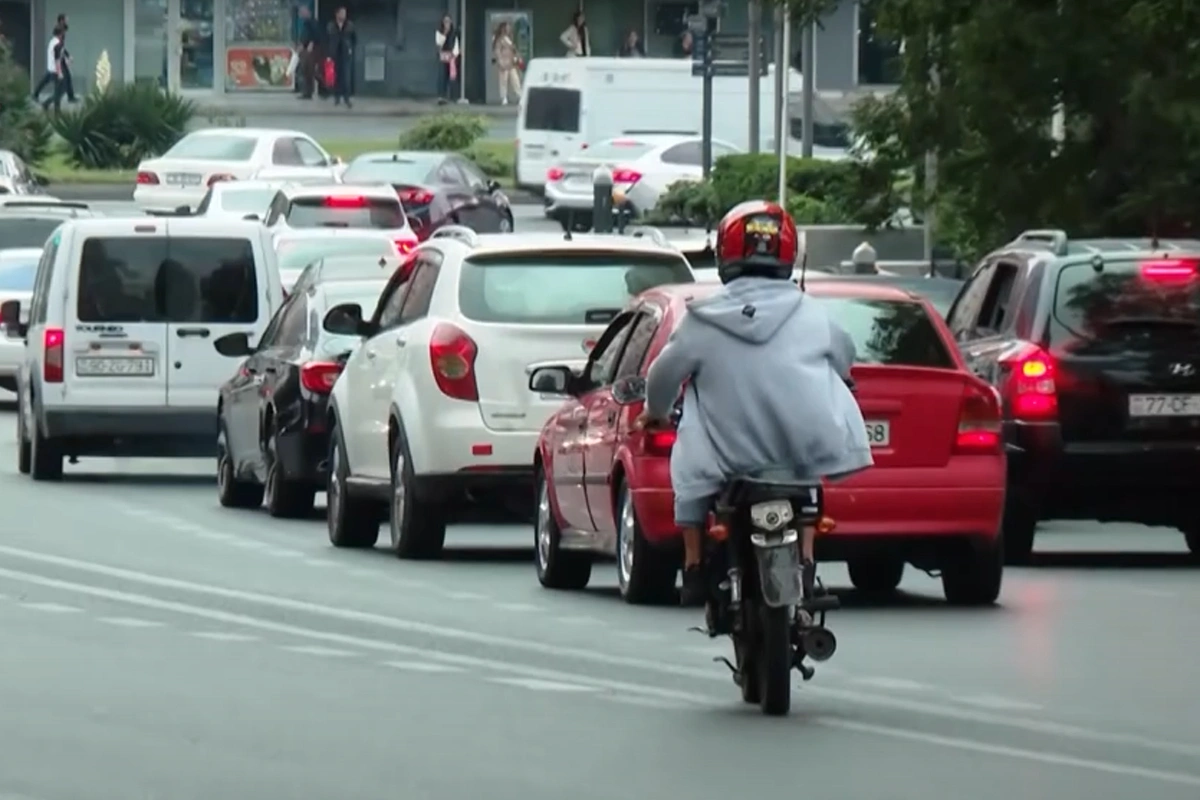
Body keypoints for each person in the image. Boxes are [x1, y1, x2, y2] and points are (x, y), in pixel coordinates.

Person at [637, 200, 873, 606]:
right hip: (800, 455)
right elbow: (845, 356)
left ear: (724, 254)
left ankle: (693, 566)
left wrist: (654, 413)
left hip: (728, 462)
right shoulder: (813, 315)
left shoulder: (702, 320)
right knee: (808, 477)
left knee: (689, 457)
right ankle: (807, 563)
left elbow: (662, 378)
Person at [326, 6, 356, 108]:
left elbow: (354, 39)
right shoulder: (331, 26)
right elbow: (328, 40)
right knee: (336, 77)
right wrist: (329, 54)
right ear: (337, 14)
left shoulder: (350, 25)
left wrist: (351, 48)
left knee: (346, 77)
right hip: (335, 54)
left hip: (346, 53)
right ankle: (337, 97)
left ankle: (347, 98)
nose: (343, 15)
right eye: (342, 13)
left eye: (345, 13)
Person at [31, 23, 62, 105]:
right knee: (59, 90)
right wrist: (59, 73)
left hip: (50, 68)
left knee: (44, 82)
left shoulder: (52, 41)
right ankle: (50, 106)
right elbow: (57, 59)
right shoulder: (57, 44)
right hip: (55, 70)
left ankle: (35, 94)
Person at [492, 21, 521, 105]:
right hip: (504, 62)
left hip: (511, 62)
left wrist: (516, 57)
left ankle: (520, 95)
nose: (509, 29)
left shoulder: (510, 39)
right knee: (503, 81)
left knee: (515, 80)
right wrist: (500, 61)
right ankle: (503, 97)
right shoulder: (500, 39)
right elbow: (497, 51)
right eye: (507, 28)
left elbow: (514, 50)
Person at [295, 4, 321, 99]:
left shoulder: (312, 22)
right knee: (306, 71)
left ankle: (309, 92)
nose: (300, 14)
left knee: (309, 71)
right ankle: (307, 91)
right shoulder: (306, 23)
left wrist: (311, 43)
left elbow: (315, 35)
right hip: (305, 49)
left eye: (302, 12)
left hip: (309, 50)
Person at [435, 15, 460, 104]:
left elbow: (456, 43)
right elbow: (439, 44)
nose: (447, 23)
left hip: (452, 55)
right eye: (445, 22)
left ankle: (453, 96)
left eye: (448, 21)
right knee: (442, 76)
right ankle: (442, 96)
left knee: (452, 76)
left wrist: (455, 53)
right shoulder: (439, 32)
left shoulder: (454, 32)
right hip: (443, 55)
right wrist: (444, 33)